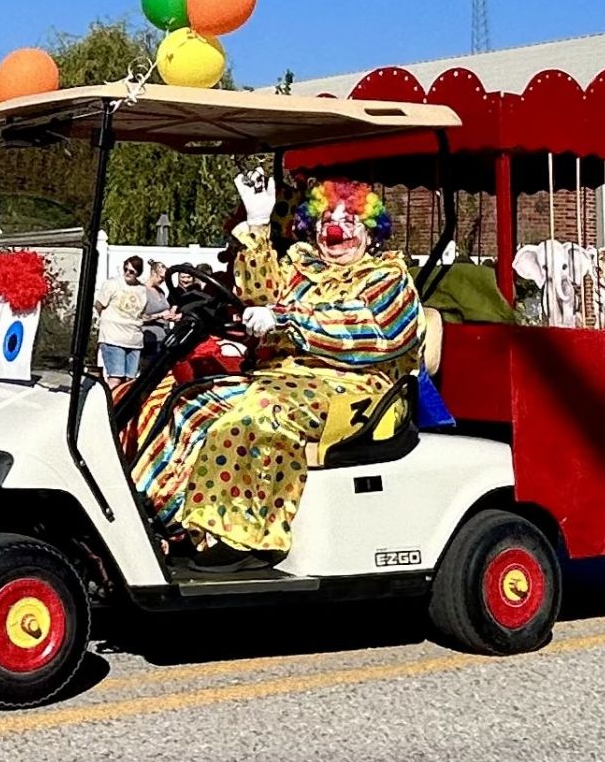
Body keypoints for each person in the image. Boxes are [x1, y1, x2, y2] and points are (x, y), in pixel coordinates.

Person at [132, 170, 425, 571]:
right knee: (190, 402)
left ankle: (245, 537)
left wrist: (288, 321)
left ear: (371, 231)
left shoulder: (386, 279)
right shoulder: (302, 268)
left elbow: (371, 329)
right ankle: (169, 519)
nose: (335, 231)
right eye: (326, 221)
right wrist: (257, 222)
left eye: (348, 221)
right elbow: (259, 294)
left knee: (261, 412)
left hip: (355, 387)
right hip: (283, 376)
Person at [94, 255, 148, 387]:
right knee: (116, 378)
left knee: (130, 381)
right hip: (113, 337)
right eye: (126, 269)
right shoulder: (112, 284)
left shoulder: (142, 290)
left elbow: (140, 314)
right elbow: (99, 305)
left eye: (132, 271)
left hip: (134, 339)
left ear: (138, 272)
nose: (128, 273)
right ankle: (110, 406)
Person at [141, 260, 176, 360]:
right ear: (153, 273)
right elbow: (139, 317)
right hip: (148, 338)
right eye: (161, 277)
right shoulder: (142, 291)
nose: (163, 280)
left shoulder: (161, 291)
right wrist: (159, 316)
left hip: (163, 338)